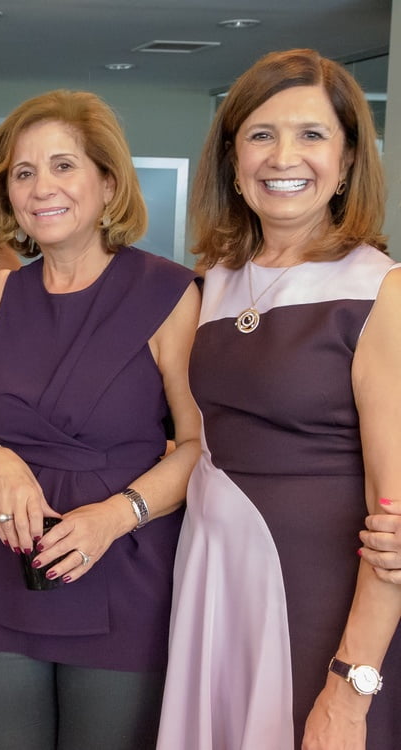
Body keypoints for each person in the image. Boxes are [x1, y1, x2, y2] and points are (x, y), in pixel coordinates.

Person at [157, 48, 401, 750]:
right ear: (233, 162)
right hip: (214, 580)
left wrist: (350, 689)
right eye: (261, 134)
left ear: (347, 160)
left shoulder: (379, 291)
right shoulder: (213, 281)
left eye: (311, 134)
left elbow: (393, 518)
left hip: (317, 597)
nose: (282, 156)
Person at [0, 90, 201, 750]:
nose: (41, 188)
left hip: (121, 567)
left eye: (64, 166)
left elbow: (199, 446)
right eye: (24, 173)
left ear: (108, 183)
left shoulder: (170, 293)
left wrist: (114, 517)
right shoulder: (1, 293)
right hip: (3, 566)